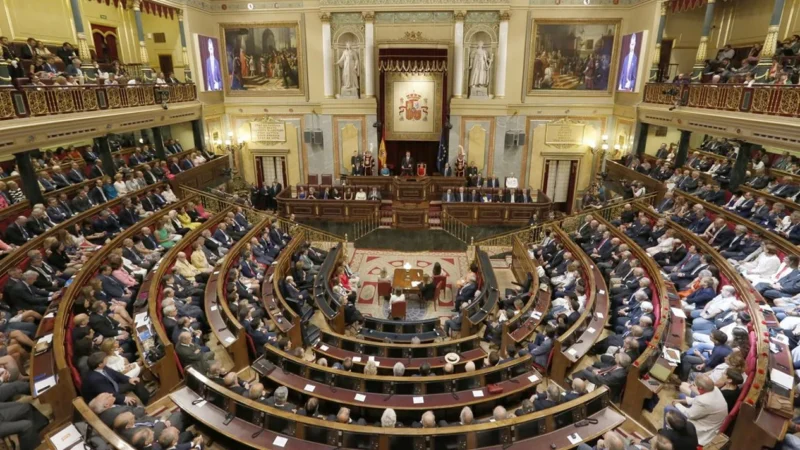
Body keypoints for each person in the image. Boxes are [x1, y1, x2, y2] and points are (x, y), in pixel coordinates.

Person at [665, 375, 727, 447]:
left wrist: (676, 404)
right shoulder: (714, 389)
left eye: (694, 385)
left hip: (702, 430)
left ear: (700, 388)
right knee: (682, 396)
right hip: (709, 420)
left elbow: (689, 414)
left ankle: (666, 435)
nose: (692, 386)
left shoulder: (704, 401)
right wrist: (681, 401)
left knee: (668, 409)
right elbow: (696, 399)